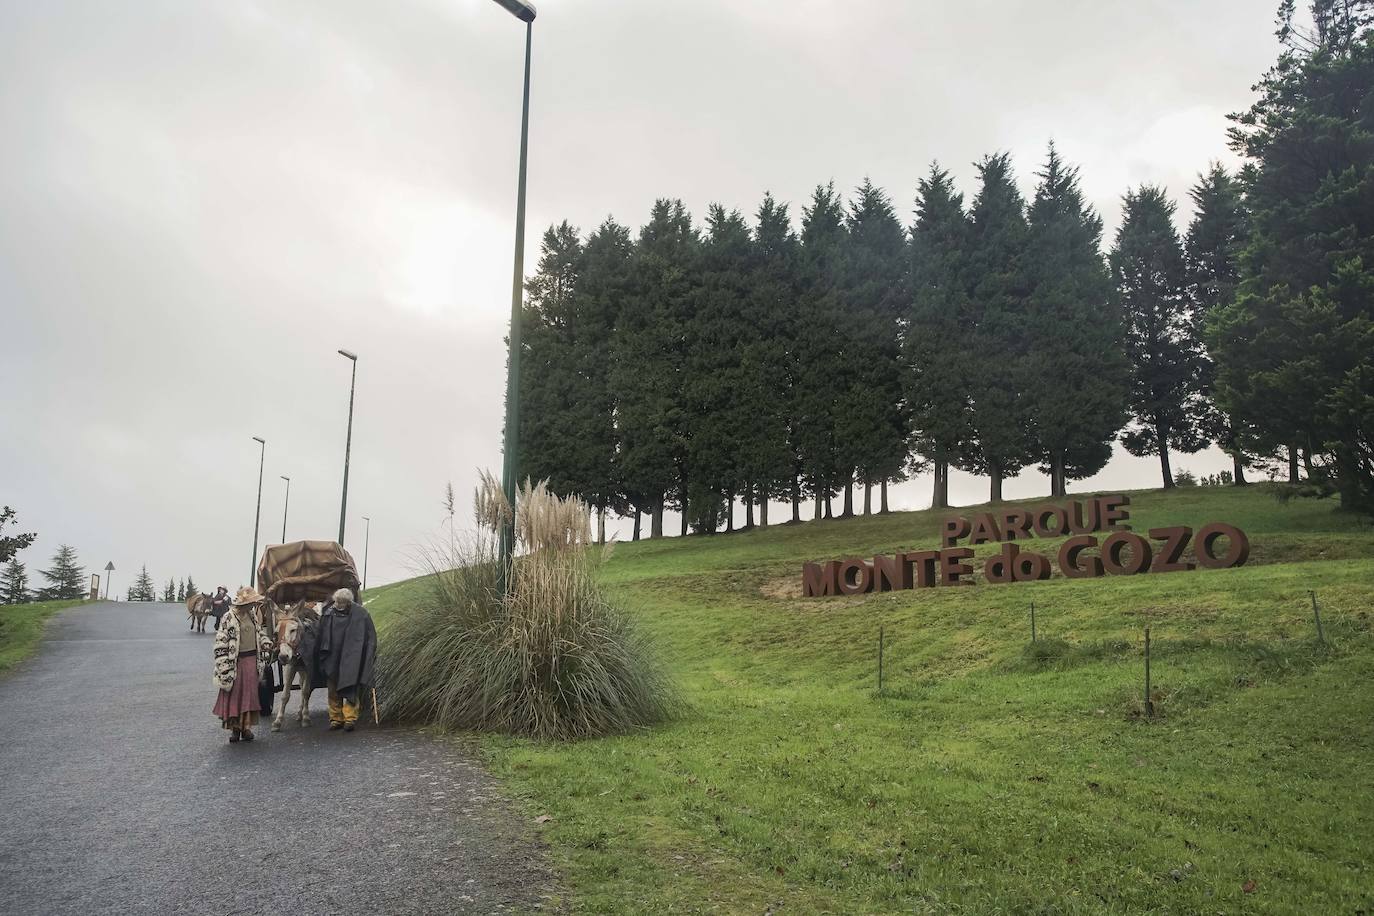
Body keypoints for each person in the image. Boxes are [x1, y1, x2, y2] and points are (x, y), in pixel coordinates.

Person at [211, 587, 274, 743]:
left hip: (252, 661)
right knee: (235, 695)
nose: (253, 605)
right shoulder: (228, 617)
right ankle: (235, 729)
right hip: (236, 663)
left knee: (249, 695)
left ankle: (246, 728)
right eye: (251, 602)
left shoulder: (252, 615)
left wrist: (266, 642)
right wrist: (223, 665)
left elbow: (258, 633)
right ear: (243, 603)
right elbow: (221, 643)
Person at [315, 587, 377, 732]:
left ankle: (350, 719)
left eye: (342, 603)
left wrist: (369, 655)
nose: (339, 605)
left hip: (351, 658)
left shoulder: (361, 614)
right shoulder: (328, 613)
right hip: (332, 657)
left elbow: (371, 637)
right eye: (337, 602)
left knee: (350, 686)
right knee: (332, 688)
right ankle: (336, 718)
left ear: (349, 603)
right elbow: (320, 635)